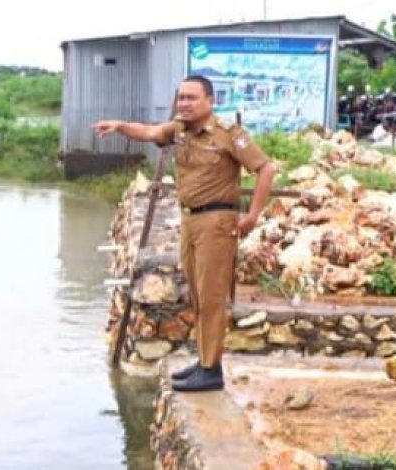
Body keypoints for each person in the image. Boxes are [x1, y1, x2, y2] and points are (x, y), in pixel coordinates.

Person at [92, 75, 278, 392]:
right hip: (190, 220)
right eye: (181, 98)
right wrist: (120, 126)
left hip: (217, 222)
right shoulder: (178, 130)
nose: (184, 104)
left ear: (209, 101)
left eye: (192, 98)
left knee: (212, 297)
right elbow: (150, 132)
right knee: (197, 295)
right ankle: (204, 362)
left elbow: (266, 169)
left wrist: (253, 214)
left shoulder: (227, 135)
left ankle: (211, 369)